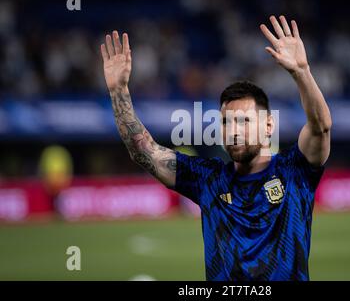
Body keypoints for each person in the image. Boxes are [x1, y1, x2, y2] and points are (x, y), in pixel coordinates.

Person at [100, 15, 332, 280]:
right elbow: (143, 150)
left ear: (269, 126)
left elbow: (321, 126)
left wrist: (302, 73)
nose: (233, 130)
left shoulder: (294, 171)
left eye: (244, 121)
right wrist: (119, 91)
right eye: (225, 122)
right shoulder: (208, 179)